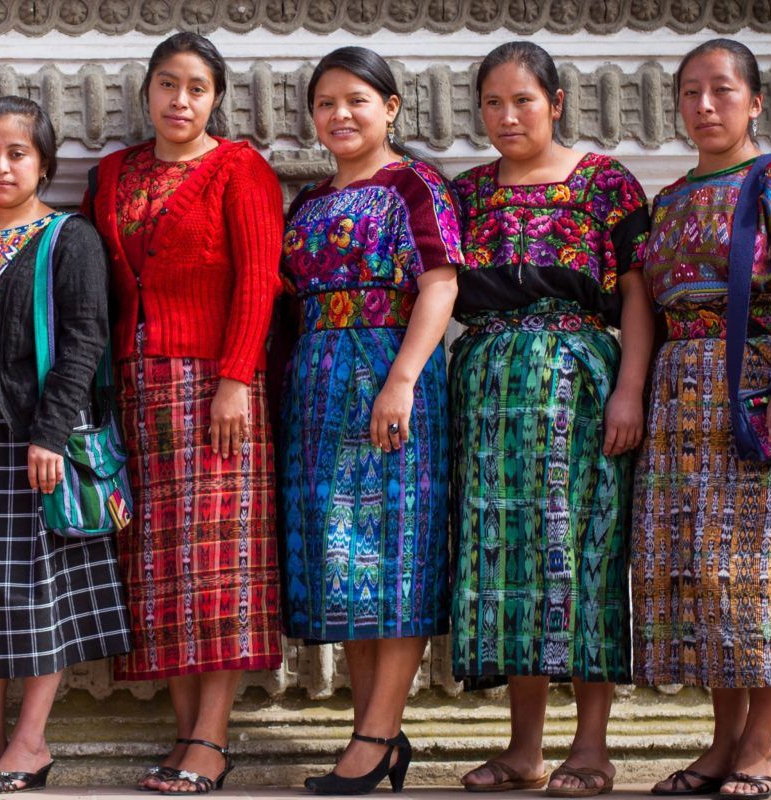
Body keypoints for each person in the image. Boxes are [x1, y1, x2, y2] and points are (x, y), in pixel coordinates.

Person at [83, 31, 283, 796]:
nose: (180, 100)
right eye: (168, 84)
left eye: (197, 88)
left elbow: (259, 280)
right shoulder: (113, 175)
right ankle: (182, 732)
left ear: (216, 98)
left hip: (216, 388)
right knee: (158, 563)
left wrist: (235, 378)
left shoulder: (239, 168)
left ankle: (212, 738)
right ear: (148, 92)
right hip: (136, 391)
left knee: (219, 560)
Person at [449, 41, 651, 797]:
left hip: (582, 388)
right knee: (504, 565)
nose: (507, 116)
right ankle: (522, 749)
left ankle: (592, 747)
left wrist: (630, 390)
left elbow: (637, 296)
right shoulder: (467, 194)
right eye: (493, 103)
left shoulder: (606, 184)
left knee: (584, 557)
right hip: (489, 397)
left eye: (524, 100)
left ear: (557, 102)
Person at [0, 96, 130, 794]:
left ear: (43, 161)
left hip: (38, 428)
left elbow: (85, 340)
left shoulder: (70, 239)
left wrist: (49, 433)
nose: (1, 165)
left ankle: (31, 741)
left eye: (17, 152)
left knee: (40, 587)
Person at [279, 46, 460, 796]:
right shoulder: (309, 201)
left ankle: (375, 736)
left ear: (390, 107)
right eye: (326, 103)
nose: (340, 115)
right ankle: (373, 732)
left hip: (390, 374)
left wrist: (403, 381)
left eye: (357, 99)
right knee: (344, 563)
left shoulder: (415, 185)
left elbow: (440, 282)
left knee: (399, 557)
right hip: (318, 387)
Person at [633, 38, 771, 800]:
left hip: (752, 386)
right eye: (691, 92)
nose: (704, 105)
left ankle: (760, 746)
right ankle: (721, 743)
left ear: (756, 101)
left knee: (751, 573)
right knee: (696, 577)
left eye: (722, 90)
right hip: (676, 395)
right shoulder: (666, 201)